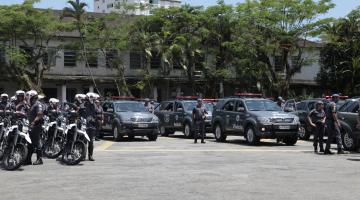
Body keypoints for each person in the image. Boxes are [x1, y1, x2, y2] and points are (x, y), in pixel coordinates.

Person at [25, 90, 44, 165]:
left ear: (32, 96)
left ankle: (39, 159)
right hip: (31, 125)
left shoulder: (38, 104)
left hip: (36, 125)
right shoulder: (32, 104)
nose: (27, 97)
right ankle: (28, 160)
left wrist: (33, 122)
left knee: (36, 142)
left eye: (28, 96)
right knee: (30, 143)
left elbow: (39, 115)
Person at [84, 92, 97, 161]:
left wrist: (94, 118)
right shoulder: (84, 104)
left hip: (91, 125)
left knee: (91, 142)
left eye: (93, 98)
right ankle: (82, 155)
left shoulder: (94, 105)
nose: (92, 99)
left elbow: (96, 113)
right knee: (84, 141)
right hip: (84, 125)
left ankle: (90, 156)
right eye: (90, 97)